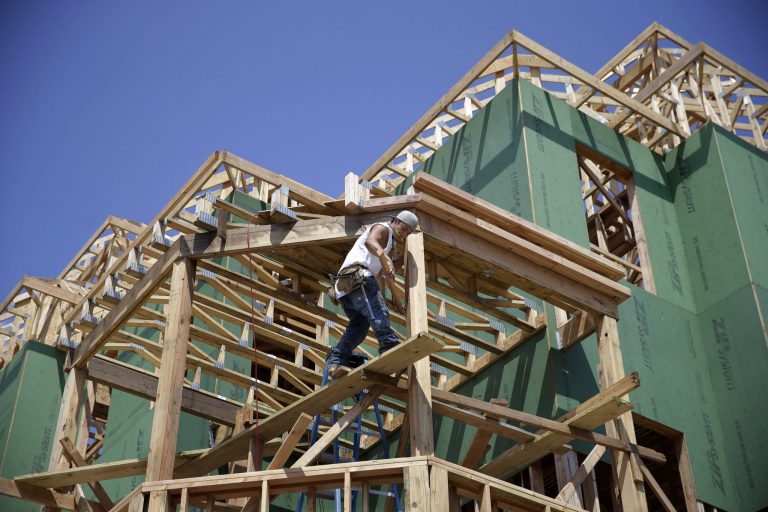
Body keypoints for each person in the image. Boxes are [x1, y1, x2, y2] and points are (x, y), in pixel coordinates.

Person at [326, 210, 420, 376]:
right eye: (404, 229)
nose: (404, 234)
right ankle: (390, 348)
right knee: (379, 312)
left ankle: (337, 360)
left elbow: (386, 272)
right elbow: (371, 241)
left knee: (359, 327)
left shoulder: (389, 242)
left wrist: (403, 257)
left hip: (345, 288)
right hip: (357, 278)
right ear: (396, 221)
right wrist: (385, 257)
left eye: (408, 233)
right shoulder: (383, 228)